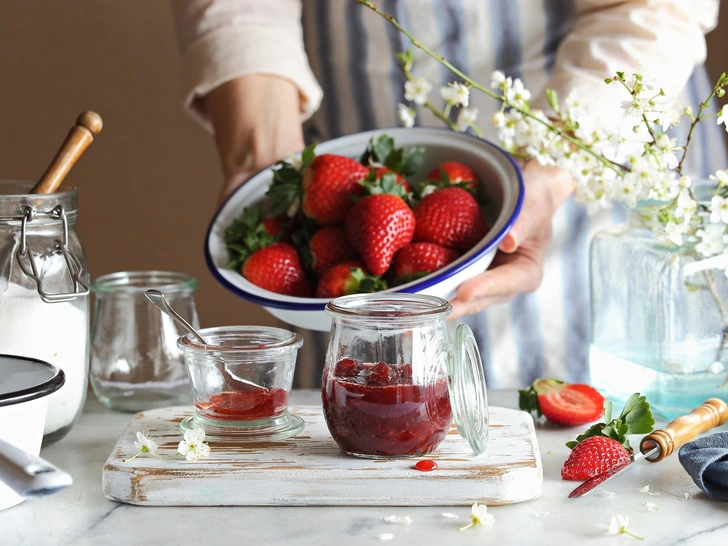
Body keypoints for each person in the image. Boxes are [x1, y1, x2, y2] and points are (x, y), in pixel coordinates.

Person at [171, 0, 725, 388]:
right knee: (378, 448)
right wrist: (266, 168)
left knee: (626, 447)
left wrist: (556, 165)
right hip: (363, 161)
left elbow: (650, 6)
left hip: (604, 147)